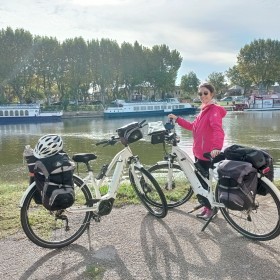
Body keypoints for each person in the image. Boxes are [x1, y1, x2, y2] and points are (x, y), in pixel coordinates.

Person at [168, 82, 227, 220]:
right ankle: (208, 206)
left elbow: (218, 130)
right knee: (202, 182)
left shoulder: (214, 110)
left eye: (205, 93)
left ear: (212, 94)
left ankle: (211, 209)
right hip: (198, 153)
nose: (202, 96)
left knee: (204, 182)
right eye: (200, 93)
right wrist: (177, 119)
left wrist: (217, 148)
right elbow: (193, 127)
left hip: (207, 154)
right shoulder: (203, 111)